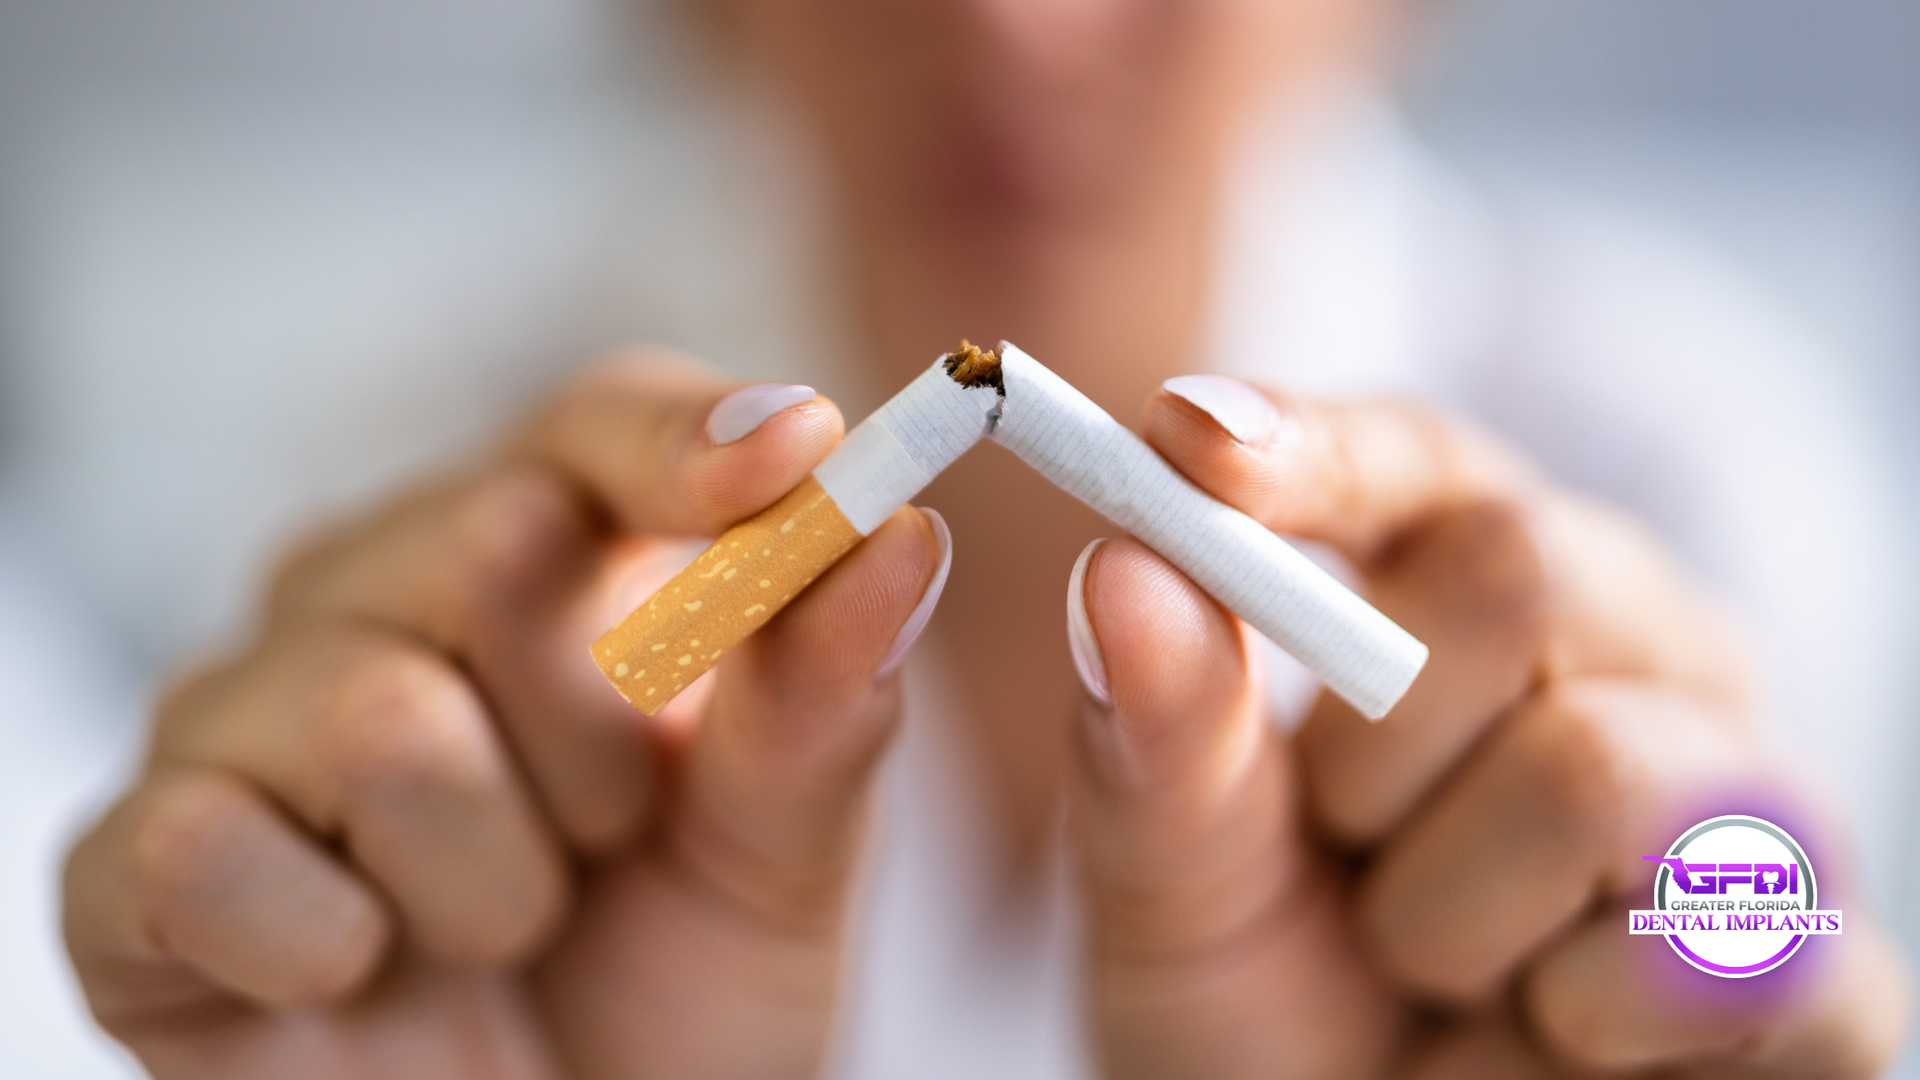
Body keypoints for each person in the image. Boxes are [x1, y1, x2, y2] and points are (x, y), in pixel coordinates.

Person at [58, 0, 1914, 1077]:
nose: (1018, 22)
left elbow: (1798, 923)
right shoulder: (437, 472)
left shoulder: (1685, 459)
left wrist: (1768, 955)